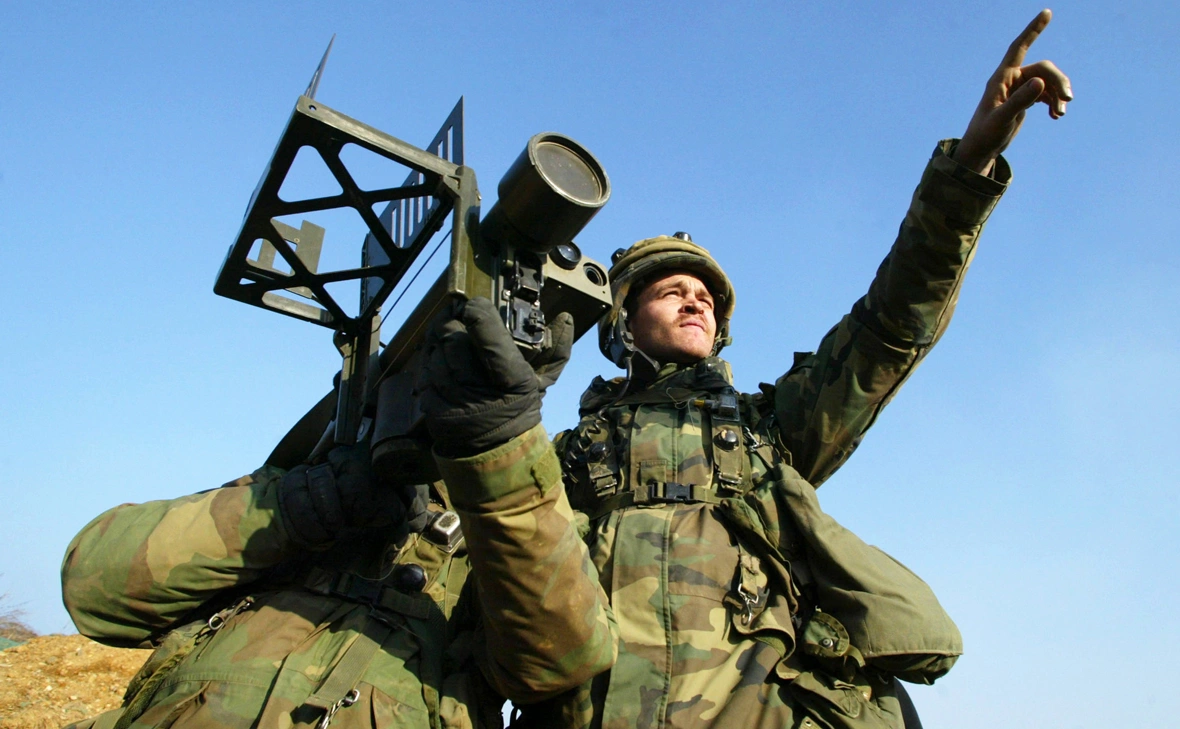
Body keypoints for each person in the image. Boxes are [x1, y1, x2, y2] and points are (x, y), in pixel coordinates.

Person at [416, 10, 1072, 729]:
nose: (696, 302)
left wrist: (968, 169)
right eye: (672, 291)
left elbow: (889, 328)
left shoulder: (768, 432)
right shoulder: (563, 455)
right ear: (623, 320)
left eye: (707, 299)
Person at [60, 443, 505, 729]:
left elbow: (559, 678)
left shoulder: (520, 534)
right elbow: (93, 586)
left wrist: (515, 486)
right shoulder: (311, 477)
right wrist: (299, 505)